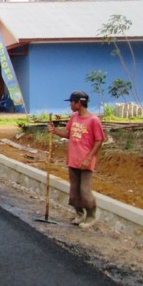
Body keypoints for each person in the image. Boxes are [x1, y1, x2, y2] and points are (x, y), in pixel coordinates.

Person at [48, 90, 105, 228]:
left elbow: (99, 140)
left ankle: (91, 216)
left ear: (78, 103)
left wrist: (88, 158)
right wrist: (55, 131)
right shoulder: (74, 118)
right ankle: (79, 213)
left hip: (86, 162)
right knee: (74, 191)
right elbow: (68, 134)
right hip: (73, 160)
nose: (70, 105)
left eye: (72, 102)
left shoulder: (93, 120)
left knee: (84, 190)